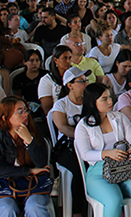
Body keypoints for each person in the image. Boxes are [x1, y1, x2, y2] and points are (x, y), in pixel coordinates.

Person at [74, 83, 131, 217]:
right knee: (113, 200)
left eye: (110, 97)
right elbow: (85, 153)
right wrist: (106, 153)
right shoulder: (83, 125)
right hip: (99, 172)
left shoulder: (119, 117)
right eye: (104, 99)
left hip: (124, 167)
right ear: (93, 103)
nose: (110, 102)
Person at [0, 96, 52, 217]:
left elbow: (42, 163)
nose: (25, 114)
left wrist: (29, 141)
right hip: (5, 184)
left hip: (34, 183)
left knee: (34, 208)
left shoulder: (36, 133)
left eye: (26, 110)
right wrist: (29, 170)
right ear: (5, 117)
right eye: (19, 112)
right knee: (7, 209)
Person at [51, 67, 92, 217]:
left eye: (86, 81)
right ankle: (77, 211)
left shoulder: (91, 102)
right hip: (68, 146)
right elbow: (63, 127)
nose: (85, 84)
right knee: (78, 169)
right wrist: (83, 137)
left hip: (90, 144)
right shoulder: (61, 105)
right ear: (70, 85)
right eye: (81, 81)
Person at [37, 45, 72, 114]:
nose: (68, 61)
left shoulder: (75, 75)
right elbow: (47, 109)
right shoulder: (46, 80)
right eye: (65, 58)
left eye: (70, 58)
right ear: (56, 60)